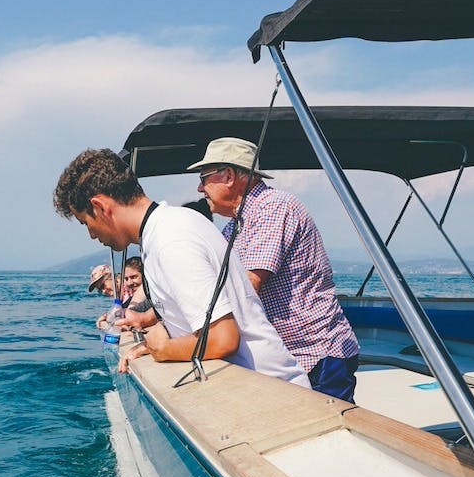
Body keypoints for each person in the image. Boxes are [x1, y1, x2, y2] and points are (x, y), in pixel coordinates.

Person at [53, 148, 310, 387]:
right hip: (254, 386)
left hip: (272, 390)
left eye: (85, 222)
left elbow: (223, 338)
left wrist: (163, 349)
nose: (91, 235)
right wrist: (155, 334)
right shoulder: (162, 232)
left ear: (100, 207)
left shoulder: (171, 240)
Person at [190, 137, 361, 402]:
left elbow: (247, 285)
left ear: (229, 176)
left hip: (317, 354)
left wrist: (186, 339)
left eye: (204, 177)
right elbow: (214, 283)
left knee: (327, 433)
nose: (200, 188)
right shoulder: (232, 227)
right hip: (287, 355)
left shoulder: (274, 207)